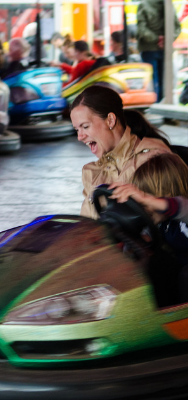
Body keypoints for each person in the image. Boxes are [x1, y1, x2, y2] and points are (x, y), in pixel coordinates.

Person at [71, 85, 171, 219]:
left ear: (110, 120)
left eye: (85, 127)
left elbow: (165, 225)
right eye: (77, 129)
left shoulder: (152, 158)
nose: (80, 136)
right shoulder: (92, 172)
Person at [109, 153, 188, 306]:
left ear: (168, 195)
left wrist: (149, 200)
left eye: (145, 198)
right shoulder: (159, 224)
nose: (143, 206)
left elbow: (183, 208)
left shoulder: (183, 220)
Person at [137, 0, 181, 101]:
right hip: (166, 49)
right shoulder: (168, 5)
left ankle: (153, 104)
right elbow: (177, 27)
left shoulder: (144, 4)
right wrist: (167, 39)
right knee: (165, 81)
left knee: (151, 80)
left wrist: (157, 39)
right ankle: (162, 104)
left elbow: (141, 29)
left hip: (149, 48)